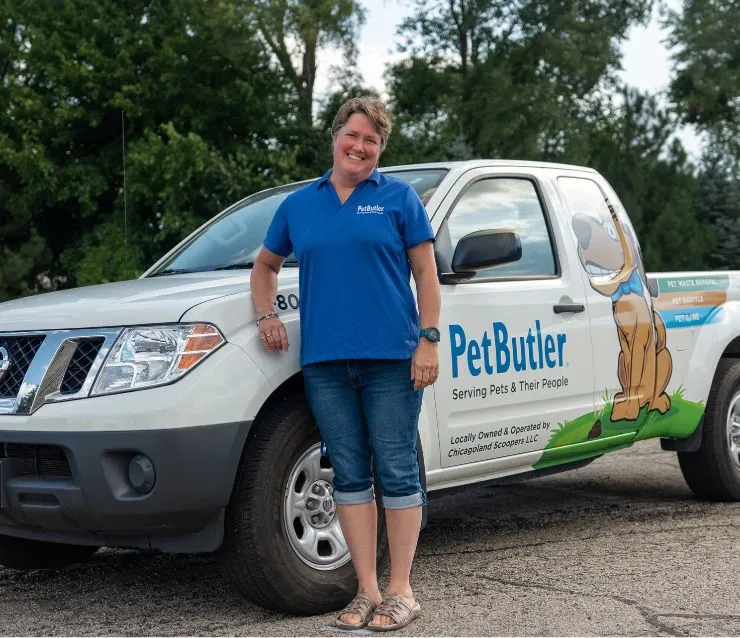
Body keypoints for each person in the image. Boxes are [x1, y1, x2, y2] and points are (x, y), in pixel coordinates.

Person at [250, 96, 441, 631]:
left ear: (381, 149)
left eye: (372, 141)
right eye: (352, 136)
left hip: (391, 360)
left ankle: (401, 591)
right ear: (334, 137)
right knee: (350, 475)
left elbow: (426, 274)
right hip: (326, 364)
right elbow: (264, 266)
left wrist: (427, 341)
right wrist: (265, 313)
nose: (360, 147)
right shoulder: (299, 205)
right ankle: (365, 590)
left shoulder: (399, 198)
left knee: (398, 469)